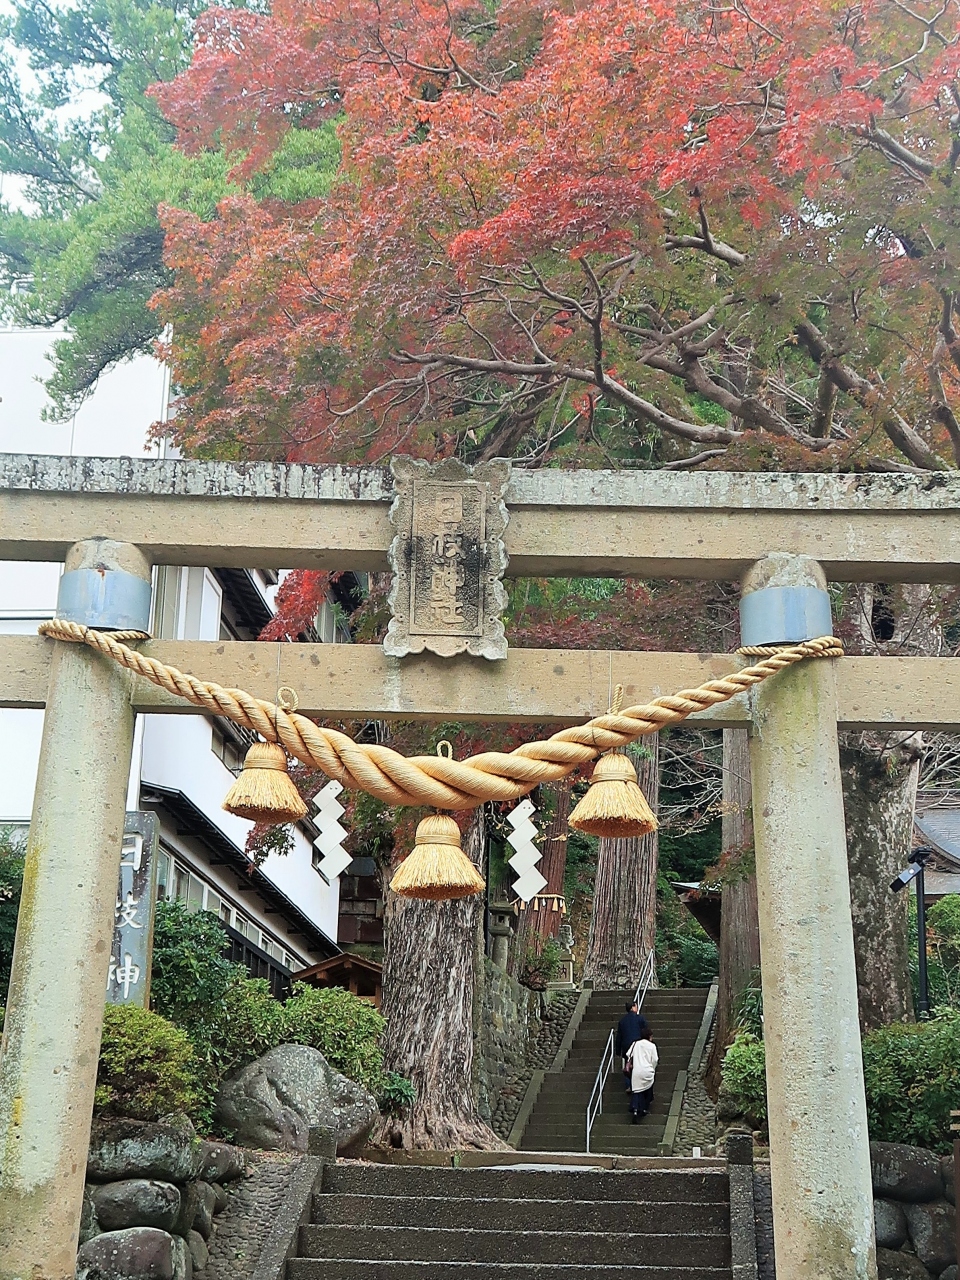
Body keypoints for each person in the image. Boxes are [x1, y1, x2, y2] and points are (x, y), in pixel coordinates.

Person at [615, 1001, 649, 1090]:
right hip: (638, 1044)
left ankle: (628, 1084)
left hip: (626, 1045)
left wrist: (618, 1050)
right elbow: (645, 1032)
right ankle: (638, 1084)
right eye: (636, 1006)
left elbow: (619, 1036)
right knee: (638, 1063)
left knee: (627, 1063)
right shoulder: (640, 1019)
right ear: (633, 1007)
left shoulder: (622, 1021)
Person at [626, 1028, 658, 1122]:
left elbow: (628, 1054)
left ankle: (635, 1109)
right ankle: (644, 1108)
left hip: (637, 1071)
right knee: (647, 1089)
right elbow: (655, 1059)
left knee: (636, 1091)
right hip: (648, 1070)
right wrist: (652, 1067)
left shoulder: (636, 1044)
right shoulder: (652, 1046)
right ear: (649, 1036)